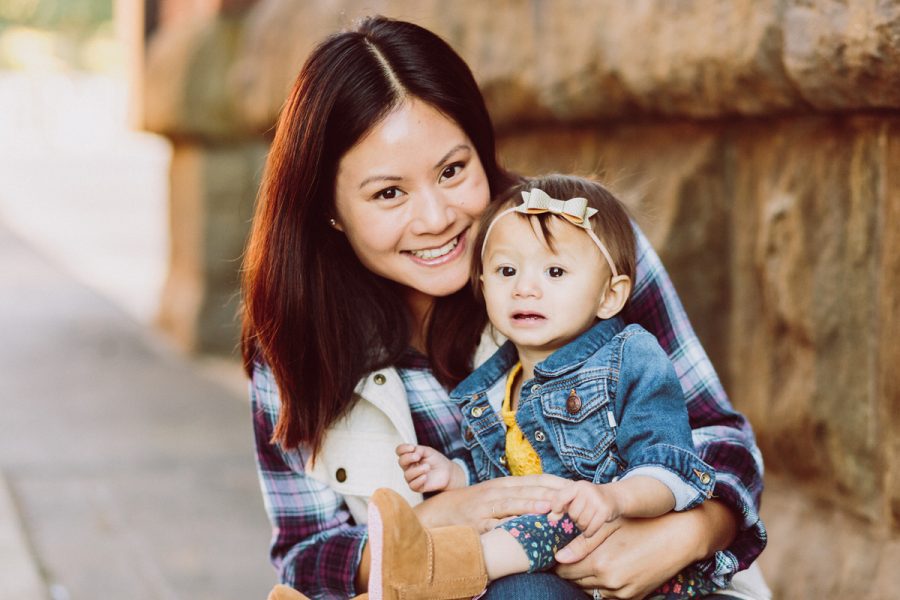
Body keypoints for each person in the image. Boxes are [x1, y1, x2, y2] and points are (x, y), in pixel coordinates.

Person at [243, 15, 768, 600]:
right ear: (330, 210)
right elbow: (306, 553)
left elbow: (718, 437)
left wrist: (686, 534)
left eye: (452, 170)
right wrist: (440, 521)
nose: (437, 218)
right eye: (389, 193)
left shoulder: (583, 247)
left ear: (483, 154)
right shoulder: (294, 338)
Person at [381, 176, 720, 598]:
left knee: (537, 530)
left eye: (555, 271)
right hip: (552, 565)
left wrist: (615, 497)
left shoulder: (629, 358)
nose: (525, 288)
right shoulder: (497, 387)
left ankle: (428, 570)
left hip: (615, 544)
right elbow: (508, 479)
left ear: (609, 297)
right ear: (484, 287)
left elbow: (672, 467)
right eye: (507, 271)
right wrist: (453, 474)